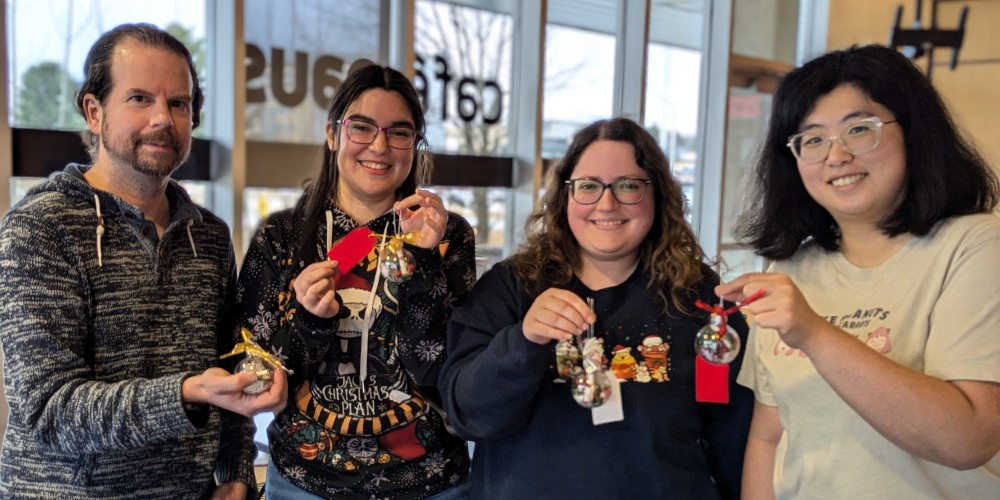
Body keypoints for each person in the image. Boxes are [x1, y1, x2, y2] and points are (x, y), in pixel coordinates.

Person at [0, 23, 287, 499]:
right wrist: (186, 392)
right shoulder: (40, 229)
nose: (163, 118)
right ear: (94, 112)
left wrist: (236, 473)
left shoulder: (210, 236)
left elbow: (235, 369)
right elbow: (49, 412)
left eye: (178, 103)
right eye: (139, 99)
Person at [717, 44, 1000, 499]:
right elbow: (769, 436)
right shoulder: (791, 268)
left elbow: (967, 439)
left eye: (859, 129)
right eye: (812, 140)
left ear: (913, 132)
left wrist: (813, 332)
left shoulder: (975, 246)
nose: (837, 155)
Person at [439, 117, 753, 499]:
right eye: (588, 186)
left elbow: (732, 431)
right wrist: (523, 341)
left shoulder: (699, 299)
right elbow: (470, 415)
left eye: (628, 186)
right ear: (564, 197)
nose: (607, 203)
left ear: (658, 195)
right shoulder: (512, 287)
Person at [236, 64, 475, 499]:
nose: (379, 146)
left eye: (399, 132)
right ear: (333, 135)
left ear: (415, 146)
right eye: (361, 127)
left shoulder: (449, 236)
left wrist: (421, 262)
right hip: (307, 485)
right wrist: (310, 321)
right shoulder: (282, 237)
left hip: (432, 485)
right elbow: (256, 379)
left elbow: (443, 372)